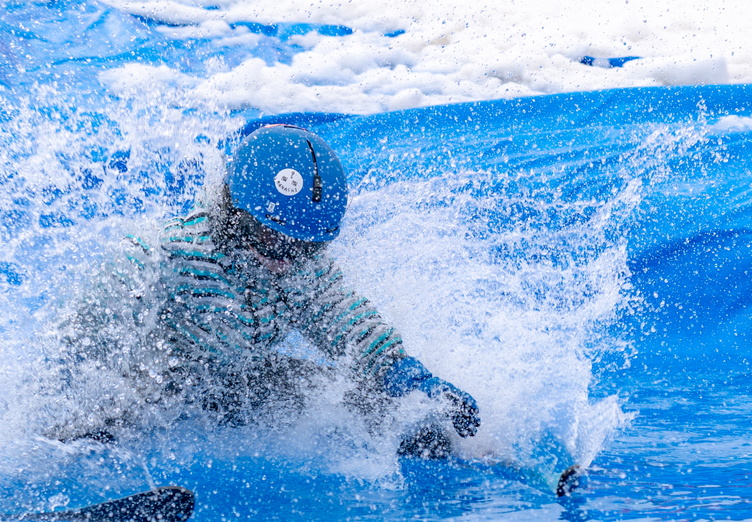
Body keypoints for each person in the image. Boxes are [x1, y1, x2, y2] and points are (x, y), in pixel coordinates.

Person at [54, 124, 479, 456]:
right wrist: (70, 424)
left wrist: (410, 378)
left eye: (306, 247)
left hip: (238, 383)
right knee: (112, 413)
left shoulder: (300, 270)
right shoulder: (159, 257)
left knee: (368, 401)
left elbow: (350, 324)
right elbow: (77, 344)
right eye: (271, 239)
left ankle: (479, 456)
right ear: (234, 211)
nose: (285, 260)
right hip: (152, 390)